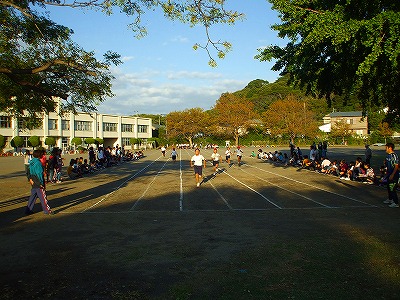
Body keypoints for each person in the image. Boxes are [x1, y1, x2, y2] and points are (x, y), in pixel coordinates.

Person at [25, 149, 53, 215]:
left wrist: (30, 179)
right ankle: (47, 210)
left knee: (33, 196)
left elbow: (28, 171)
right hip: (38, 180)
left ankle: (28, 210)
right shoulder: (38, 163)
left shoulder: (31, 162)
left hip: (33, 179)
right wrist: (41, 183)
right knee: (43, 197)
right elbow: (39, 173)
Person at [383, 143, 399, 207]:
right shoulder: (387, 156)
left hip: (394, 175)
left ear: (390, 148)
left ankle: (396, 202)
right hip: (389, 174)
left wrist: (392, 174)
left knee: (392, 188)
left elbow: (396, 166)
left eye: (386, 147)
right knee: (388, 187)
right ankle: (390, 199)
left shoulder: (394, 155)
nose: (385, 149)